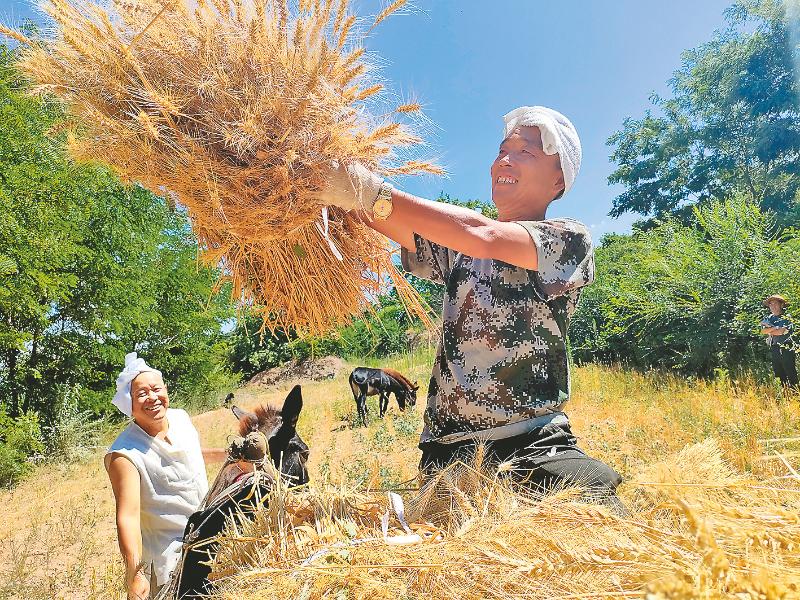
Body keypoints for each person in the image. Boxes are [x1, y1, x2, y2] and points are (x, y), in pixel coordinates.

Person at [320, 106, 623, 509]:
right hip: (447, 452)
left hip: (530, 445)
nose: (505, 159)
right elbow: (391, 222)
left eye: (526, 152)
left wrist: (370, 192)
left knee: (595, 507)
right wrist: (323, 182)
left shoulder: (568, 240)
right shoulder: (457, 251)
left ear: (558, 180)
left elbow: (483, 232)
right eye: (502, 150)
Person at [104, 352, 227, 600]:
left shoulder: (180, 419)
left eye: (156, 389)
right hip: (171, 560)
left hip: (211, 539)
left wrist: (230, 454)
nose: (152, 397)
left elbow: (190, 455)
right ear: (129, 403)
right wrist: (135, 574)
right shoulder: (125, 454)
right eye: (142, 394)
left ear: (166, 389)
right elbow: (126, 518)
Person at [760, 295, 798, 390]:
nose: (773, 306)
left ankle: (796, 394)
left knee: (790, 371)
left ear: (781, 305)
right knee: (778, 372)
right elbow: (763, 331)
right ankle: (785, 395)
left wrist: (770, 329)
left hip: (787, 347)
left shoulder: (786, 317)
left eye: (775, 303)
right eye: (771, 304)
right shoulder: (769, 317)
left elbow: (781, 332)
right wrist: (776, 327)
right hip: (775, 347)